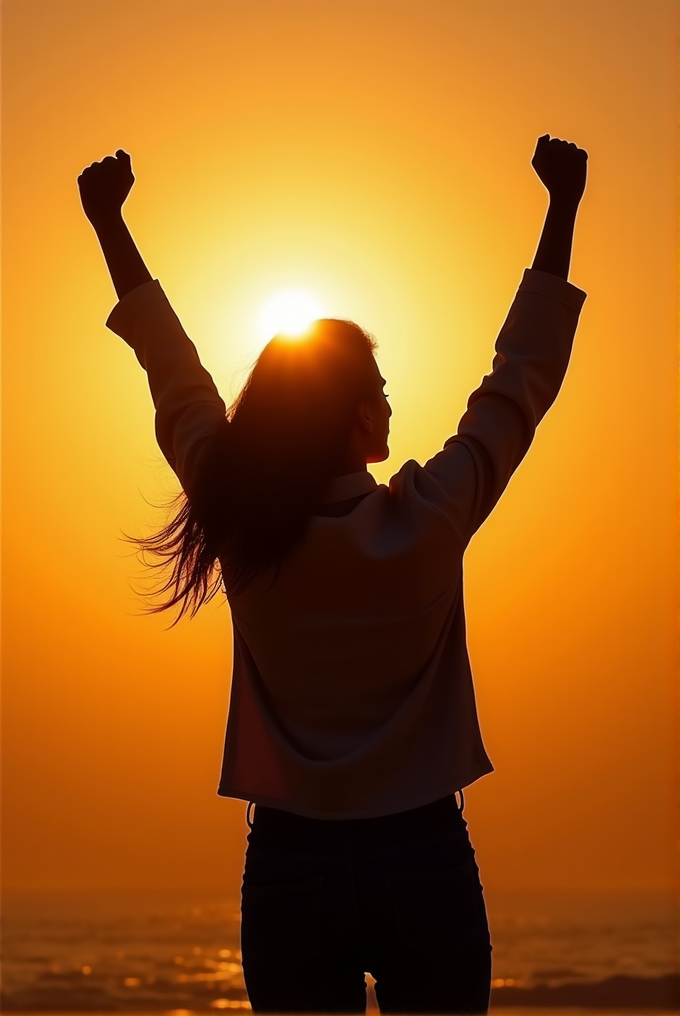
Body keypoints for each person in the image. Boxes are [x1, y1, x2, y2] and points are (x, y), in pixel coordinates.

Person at [78, 134, 587, 1015]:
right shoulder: (426, 519)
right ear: (358, 415)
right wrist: (562, 210)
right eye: (380, 386)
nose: (391, 398)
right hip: (423, 854)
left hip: (290, 865)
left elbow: (175, 378)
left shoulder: (239, 523)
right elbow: (520, 383)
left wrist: (110, 226)